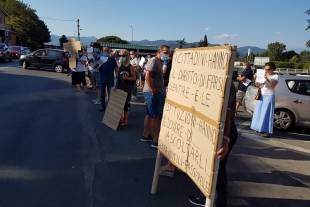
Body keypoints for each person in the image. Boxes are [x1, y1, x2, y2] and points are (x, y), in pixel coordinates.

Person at [188, 81, 238, 207]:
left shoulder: (224, 82)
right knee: (212, 168)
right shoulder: (211, 78)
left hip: (222, 132)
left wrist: (225, 138)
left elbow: (226, 113)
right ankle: (204, 198)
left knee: (217, 171)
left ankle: (217, 203)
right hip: (213, 130)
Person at [140, 45, 170, 149]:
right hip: (152, 92)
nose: (166, 55)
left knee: (150, 114)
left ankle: (145, 135)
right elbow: (147, 76)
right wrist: (153, 89)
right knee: (155, 116)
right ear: (159, 51)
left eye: (168, 53)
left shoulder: (160, 62)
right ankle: (155, 140)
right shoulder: (153, 61)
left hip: (154, 92)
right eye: (165, 52)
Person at [250, 62, 279, 137]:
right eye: (265, 69)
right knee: (259, 112)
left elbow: (272, 86)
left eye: (268, 69)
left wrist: (267, 80)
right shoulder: (263, 75)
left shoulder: (276, 76)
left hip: (269, 95)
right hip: (262, 95)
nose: (266, 71)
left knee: (267, 113)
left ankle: (266, 131)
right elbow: (258, 85)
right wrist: (256, 79)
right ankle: (258, 127)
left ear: (272, 69)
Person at [93, 46, 118, 112]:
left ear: (109, 51)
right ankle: (103, 107)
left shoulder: (113, 60)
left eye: (107, 50)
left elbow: (116, 69)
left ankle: (110, 108)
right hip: (101, 80)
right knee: (102, 95)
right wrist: (98, 63)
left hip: (110, 80)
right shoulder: (100, 58)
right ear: (103, 51)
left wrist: (117, 77)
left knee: (111, 95)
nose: (106, 52)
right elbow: (94, 67)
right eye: (105, 50)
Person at [116, 50, 136, 126]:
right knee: (119, 104)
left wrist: (127, 78)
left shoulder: (130, 67)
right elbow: (118, 78)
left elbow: (134, 78)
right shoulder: (120, 66)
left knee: (125, 104)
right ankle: (120, 119)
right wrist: (115, 86)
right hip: (120, 87)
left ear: (127, 56)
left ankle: (125, 121)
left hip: (127, 88)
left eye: (123, 56)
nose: (121, 57)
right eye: (120, 55)